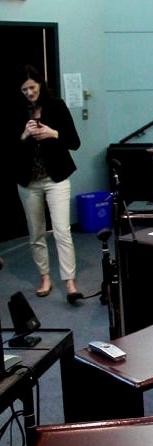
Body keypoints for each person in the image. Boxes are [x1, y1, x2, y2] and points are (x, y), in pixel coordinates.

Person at [12, 65, 83, 304]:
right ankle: (45, 278)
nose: (29, 93)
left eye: (32, 88)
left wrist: (53, 133)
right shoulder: (15, 111)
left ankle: (70, 282)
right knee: (36, 233)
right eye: (24, 90)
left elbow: (75, 142)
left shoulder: (57, 106)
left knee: (63, 231)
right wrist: (23, 135)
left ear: (40, 85)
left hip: (57, 178)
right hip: (28, 181)